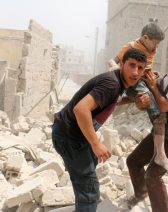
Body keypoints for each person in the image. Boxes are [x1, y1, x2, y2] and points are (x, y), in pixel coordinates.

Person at [51, 48, 147, 212]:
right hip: (70, 137)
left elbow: (110, 100)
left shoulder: (117, 83)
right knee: (90, 193)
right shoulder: (112, 83)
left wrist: (131, 100)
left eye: (140, 68)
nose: (135, 72)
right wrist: (96, 143)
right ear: (122, 64)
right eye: (132, 65)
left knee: (87, 179)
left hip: (75, 135)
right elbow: (81, 110)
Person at [126, 41, 168, 212]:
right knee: (133, 161)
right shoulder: (164, 78)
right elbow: (152, 102)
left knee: (153, 176)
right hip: (159, 133)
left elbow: (164, 106)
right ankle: (141, 194)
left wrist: (152, 86)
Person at [109, 22, 168, 171]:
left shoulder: (150, 49)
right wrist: (116, 72)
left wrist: (151, 75)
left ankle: (162, 140)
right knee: (155, 111)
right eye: (155, 43)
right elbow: (112, 61)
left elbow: (146, 69)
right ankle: (160, 155)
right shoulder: (131, 47)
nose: (156, 47)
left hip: (143, 80)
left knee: (163, 93)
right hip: (133, 82)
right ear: (145, 38)